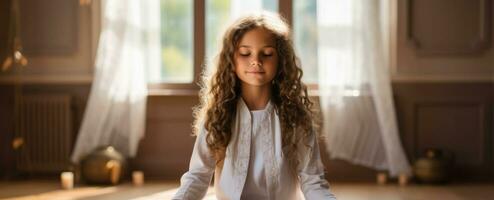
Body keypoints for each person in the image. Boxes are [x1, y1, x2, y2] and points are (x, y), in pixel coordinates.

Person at [172, 11, 337, 200]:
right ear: (231, 59)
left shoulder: (296, 118)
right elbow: (198, 176)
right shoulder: (218, 116)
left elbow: (313, 181)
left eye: (267, 53)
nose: (256, 61)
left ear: (281, 59)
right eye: (245, 53)